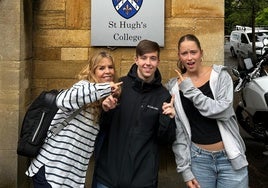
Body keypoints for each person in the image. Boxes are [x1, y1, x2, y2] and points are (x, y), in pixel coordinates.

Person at [25, 51, 122, 188]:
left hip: (71, 178)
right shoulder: (83, 87)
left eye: (110, 67)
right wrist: (106, 88)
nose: (107, 71)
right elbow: (62, 100)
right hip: (51, 170)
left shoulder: (104, 100)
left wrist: (106, 107)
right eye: (101, 68)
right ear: (92, 71)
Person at [165, 34, 249, 188]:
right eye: (184, 53)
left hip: (229, 159)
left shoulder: (220, 76)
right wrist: (185, 170)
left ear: (201, 53)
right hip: (198, 160)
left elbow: (222, 111)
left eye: (193, 52)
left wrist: (191, 91)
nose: (189, 58)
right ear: (179, 56)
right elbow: (180, 133)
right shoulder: (174, 88)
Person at [92, 39, 176, 188]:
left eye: (153, 58)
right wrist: (106, 110)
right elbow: (102, 128)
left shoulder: (163, 96)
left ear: (158, 61)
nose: (148, 63)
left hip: (142, 180)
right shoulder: (120, 86)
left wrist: (168, 119)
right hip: (108, 178)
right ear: (136, 59)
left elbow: (164, 141)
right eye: (143, 58)